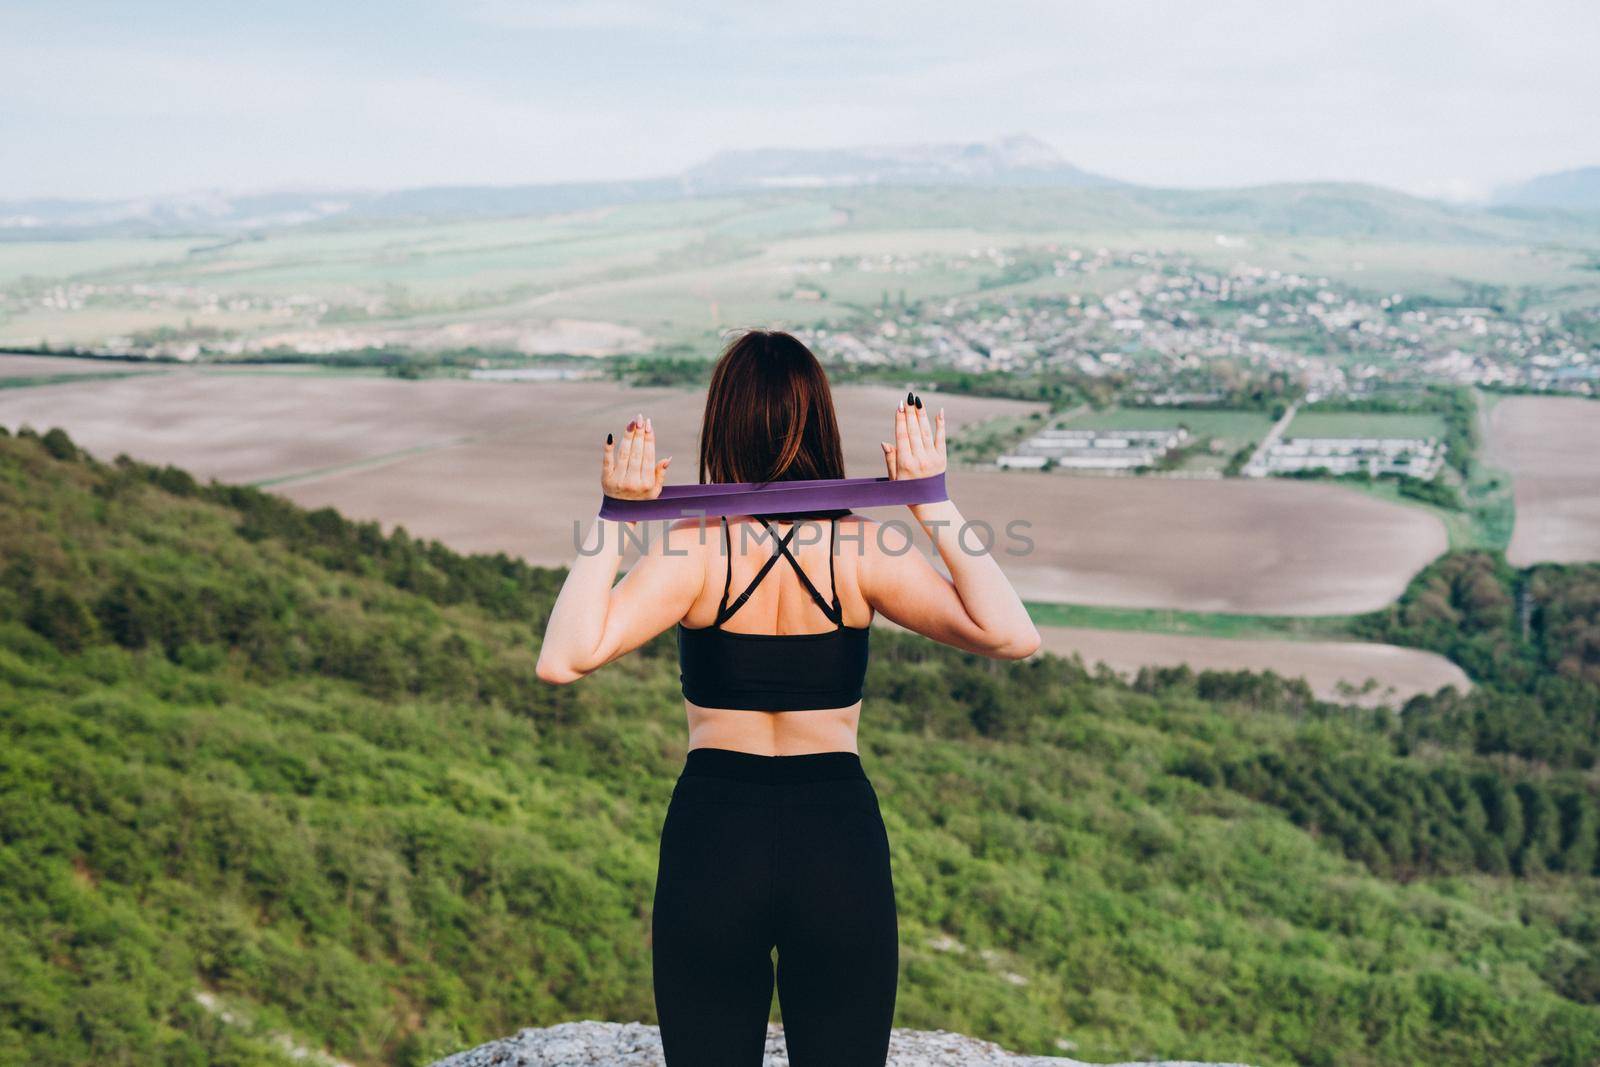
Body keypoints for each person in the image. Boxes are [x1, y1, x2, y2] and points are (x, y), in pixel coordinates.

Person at [536, 329, 1040, 1067]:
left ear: (723, 422)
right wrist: (931, 500)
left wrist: (617, 514)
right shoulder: (862, 549)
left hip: (714, 836)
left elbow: (563, 657)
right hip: (836, 838)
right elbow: (1011, 633)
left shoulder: (694, 548)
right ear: (822, 424)